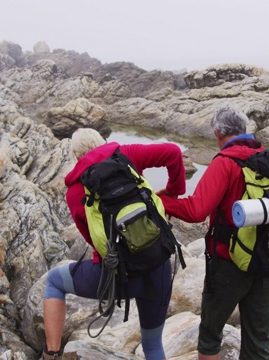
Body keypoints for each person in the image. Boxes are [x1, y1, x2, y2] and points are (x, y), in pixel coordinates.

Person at [41, 128, 186, 360]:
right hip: (158, 264)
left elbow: (95, 241)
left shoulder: (76, 189)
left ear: (77, 157)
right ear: (103, 142)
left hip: (118, 278)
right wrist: (173, 191)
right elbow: (172, 152)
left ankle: (51, 354)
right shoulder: (127, 154)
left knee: (54, 282)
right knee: (152, 346)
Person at [157, 108, 269, 360]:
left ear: (217, 133)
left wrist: (160, 202)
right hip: (268, 262)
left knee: (210, 337)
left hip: (229, 263)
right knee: (258, 343)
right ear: (244, 130)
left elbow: (196, 210)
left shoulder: (225, 162)